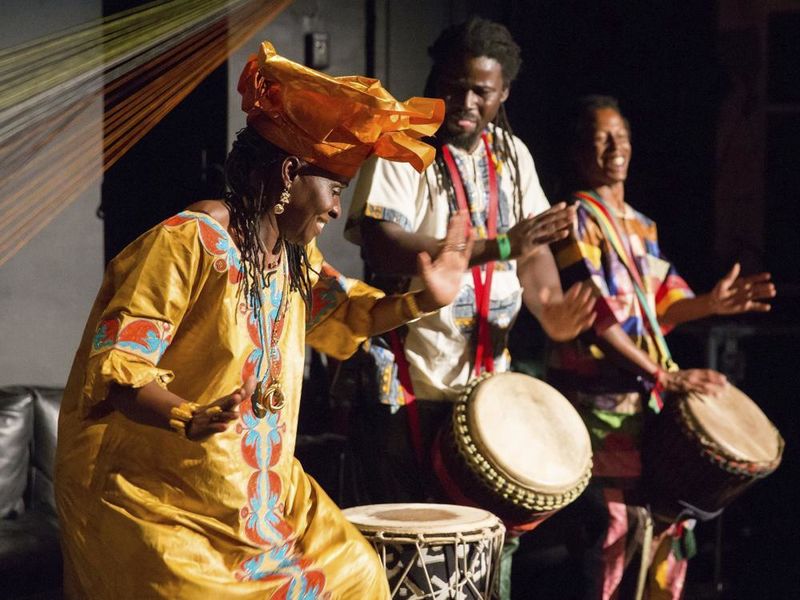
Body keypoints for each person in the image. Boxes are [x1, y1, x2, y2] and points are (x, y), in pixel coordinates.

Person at [54, 41, 474, 599]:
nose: (332, 209)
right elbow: (117, 367)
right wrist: (188, 416)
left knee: (360, 575)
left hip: (261, 493)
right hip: (161, 498)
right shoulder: (190, 243)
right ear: (289, 173)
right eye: (333, 190)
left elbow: (349, 310)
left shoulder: (296, 261)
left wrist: (424, 299)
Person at [342, 17, 595, 599]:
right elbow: (382, 240)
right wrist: (496, 246)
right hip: (408, 383)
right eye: (454, 85)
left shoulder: (511, 154)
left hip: (485, 391)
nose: (464, 101)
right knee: (410, 548)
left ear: (503, 92)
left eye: (481, 90)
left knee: (485, 546)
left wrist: (552, 308)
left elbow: (530, 256)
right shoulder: (407, 142)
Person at [546, 95, 776, 599]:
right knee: (616, 527)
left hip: (647, 401)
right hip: (601, 404)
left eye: (621, 136)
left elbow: (662, 305)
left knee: (670, 529)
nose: (615, 147)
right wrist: (664, 375)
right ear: (581, 152)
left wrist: (709, 303)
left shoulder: (642, 225)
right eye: (602, 138)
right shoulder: (571, 222)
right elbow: (596, 320)